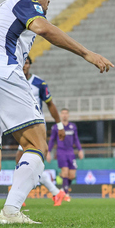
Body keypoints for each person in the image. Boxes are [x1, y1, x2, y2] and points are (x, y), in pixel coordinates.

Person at [0, 0, 113, 224]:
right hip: (0, 71)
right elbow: (44, 29)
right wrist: (86, 53)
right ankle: (11, 212)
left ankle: (12, 210)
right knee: (37, 145)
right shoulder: (26, 3)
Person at [14, 56, 67, 207]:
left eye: (26, 62)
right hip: (20, 126)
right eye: (22, 62)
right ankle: (56, 193)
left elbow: (50, 104)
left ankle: (19, 197)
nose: (24, 65)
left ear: (30, 65)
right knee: (26, 162)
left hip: (35, 126)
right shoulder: (13, 81)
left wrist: (60, 126)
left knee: (24, 161)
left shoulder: (39, 83)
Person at [46, 108, 83, 201]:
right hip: (61, 152)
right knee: (65, 172)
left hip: (71, 152)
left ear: (68, 115)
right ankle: (66, 194)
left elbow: (76, 139)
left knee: (72, 175)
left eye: (66, 113)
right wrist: (48, 152)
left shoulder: (73, 126)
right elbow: (52, 140)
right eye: (63, 113)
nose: (65, 115)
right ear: (60, 115)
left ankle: (63, 188)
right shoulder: (56, 127)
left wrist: (80, 150)